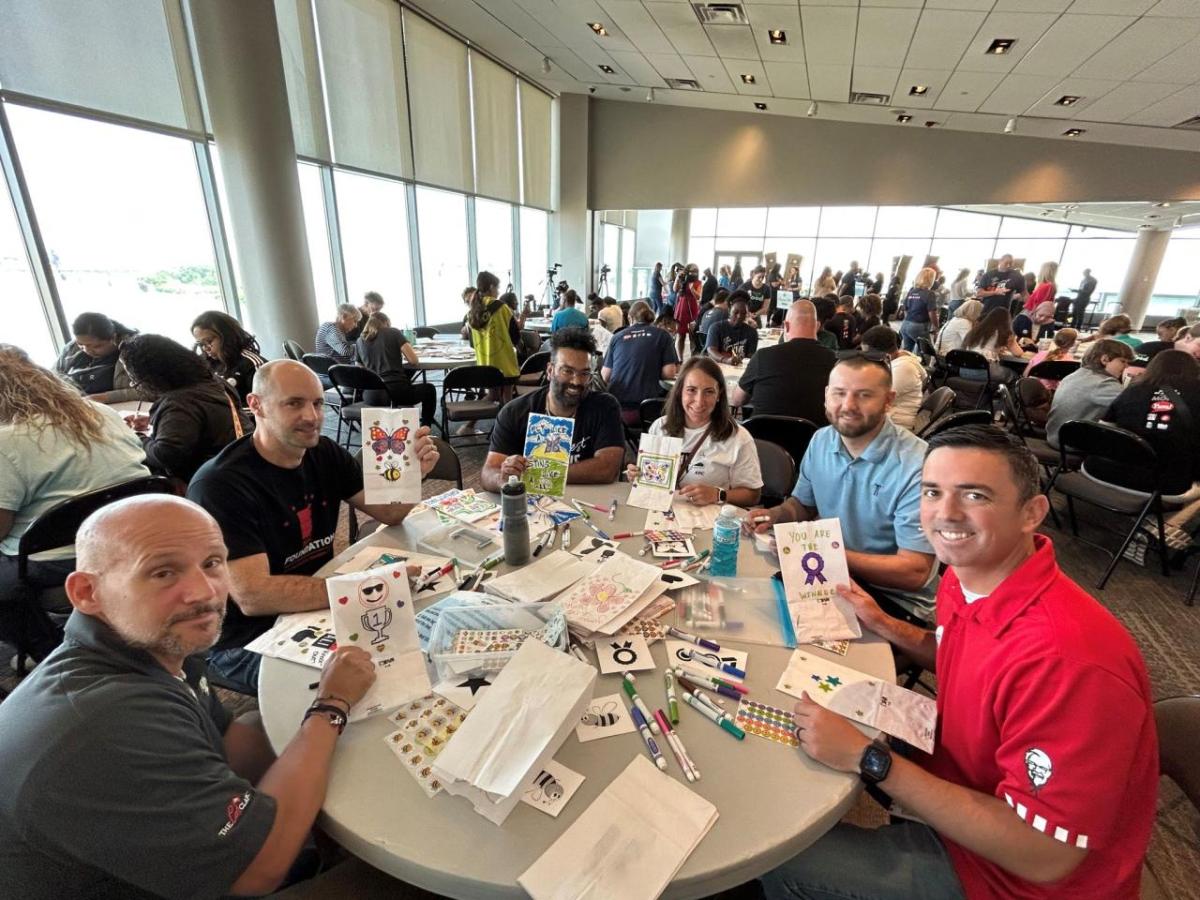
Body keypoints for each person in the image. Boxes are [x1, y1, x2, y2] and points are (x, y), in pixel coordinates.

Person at [763, 425, 1156, 900]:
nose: (945, 514)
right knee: (784, 725)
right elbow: (961, 652)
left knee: (778, 860)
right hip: (962, 774)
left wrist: (869, 759)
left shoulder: (1069, 662)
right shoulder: (971, 573)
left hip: (1006, 878)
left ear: (1032, 513)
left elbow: (1047, 855)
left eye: (975, 495)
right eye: (932, 492)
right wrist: (886, 623)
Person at [0, 494, 382, 899]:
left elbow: (232, 745)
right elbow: (257, 873)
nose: (203, 593)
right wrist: (331, 707)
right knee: (395, 884)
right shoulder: (108, 721)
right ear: (86, 592)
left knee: (262, 726)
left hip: (151, 860)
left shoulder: (156, 641)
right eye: (163, 572)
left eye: (213, 563)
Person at [186, 360, 439, 691]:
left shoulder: (324, 453)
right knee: (364, 681)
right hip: (245, 637)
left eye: (317, 403)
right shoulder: (221, 484)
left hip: (315, 605)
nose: (311, 416)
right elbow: (254, 597)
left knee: (418, 641)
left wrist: (412, 476)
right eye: (294, 403)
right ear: (256, 405)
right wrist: (363, 586)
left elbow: (389, 514)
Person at [745, 356, 938, 624]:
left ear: (888, 400)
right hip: (827, 574)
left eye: (864, 395)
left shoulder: (919, 466)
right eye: (839, 393)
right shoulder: (821, 440)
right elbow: (803, 505)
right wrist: (773, 515)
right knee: (751, 610)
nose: (848, 405)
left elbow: (913, 572)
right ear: (826, 396)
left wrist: (827, 553)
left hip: (892, 602)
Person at [0, 346, 149, 661]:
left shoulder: (6, 442)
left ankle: (48, 650)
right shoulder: (101, 414)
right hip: (131, 537)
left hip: (60, 561)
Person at [483, 328, 623, 491]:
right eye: (567, 371)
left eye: (584, 373)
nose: (576, 381)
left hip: (590, 503)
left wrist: (540, 473)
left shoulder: (605, 407)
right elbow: (487, 474)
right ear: (550, 371)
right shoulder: (514, 412)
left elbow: (607, 469)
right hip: (530, 504)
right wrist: (503, 479)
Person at [1099, 350, 1200, 563]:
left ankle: (1151, 519)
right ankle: (1164, 525)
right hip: (1163, 483)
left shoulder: (1133, 389)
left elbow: (1104, 430)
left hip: (1106, 471)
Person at [120, 335, 251, 484]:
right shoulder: (215, 381)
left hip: (209, 482)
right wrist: (159, 422)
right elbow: (209, 421)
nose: (135, 384)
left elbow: (166, 456)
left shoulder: (178, 403)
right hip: (241, 466)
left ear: (151, 375)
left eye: (135, 380)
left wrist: (137, 437)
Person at [632, 357, 762, 507]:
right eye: (691, 390)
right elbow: (650, 477)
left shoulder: (739, 438)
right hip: (660, 514)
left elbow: (753, 495)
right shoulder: (660, 427)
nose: (699, 401)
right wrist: (638, 474)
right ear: (680, 391)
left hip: (708, 521)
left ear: (719, 395)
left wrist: (717, 494)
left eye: (709, 392)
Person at [733, 299, 835, 423]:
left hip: (761, 438)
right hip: (812, 439)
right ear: (817, 325)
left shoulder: (763, 356)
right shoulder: (834, 362)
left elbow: (737, 400)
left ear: (786, 326)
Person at [601, 300, 679, 426]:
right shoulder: (663, 336)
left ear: (630, 318)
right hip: (650, 410)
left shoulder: (617, 337)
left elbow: (605, 376)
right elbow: (669, 373)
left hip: (618, 411)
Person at [1045, 339, 1133, 448]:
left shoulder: (1077, 374)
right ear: (1105, 359)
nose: (1127, 366)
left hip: (1055, 436)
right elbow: (1133, 407)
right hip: (1072, 444)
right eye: (1123, 361)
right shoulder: (1104, 383)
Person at [355, 312, 437, 426]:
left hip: (371, 395)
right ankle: (425, 427)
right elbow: (414, 360)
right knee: (429, 389)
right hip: (396, 393)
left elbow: (359, 369)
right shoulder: (393, 332)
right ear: (386, 322)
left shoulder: (360, 340)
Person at [54, 312, 141, 403]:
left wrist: (105, 397)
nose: (88, 351)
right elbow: (53, 377)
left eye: (97, 346)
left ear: (113, 338)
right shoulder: (71, 348)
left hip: (116, 407)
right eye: (81, 345)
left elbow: (150, 392)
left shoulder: (134, 352)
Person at [192, 310, 267, 406]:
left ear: (227, 336)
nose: (206, 348)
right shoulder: (203, 363)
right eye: (201, 344)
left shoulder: (252, 364)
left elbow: (265, 406)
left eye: (209, 341)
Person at [860, 325, 926, 431]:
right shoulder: (897, 360)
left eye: (867, 354)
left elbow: (874, 400)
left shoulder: (903, 369)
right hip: (887, 416)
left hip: (895, 424)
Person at [960, 308, 1031, 383]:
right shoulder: (1005, 333)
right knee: (1014, 374)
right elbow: (1018, 353)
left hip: (964, 370)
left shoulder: (976, 329)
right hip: (984, 372)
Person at [706, 297, 758, 364]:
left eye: (743, 313)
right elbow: (711, 350)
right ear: (729, 311)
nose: (739, 316)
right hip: (719, 366)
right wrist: (726, 360)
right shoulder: (716, 328)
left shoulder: (752, 332)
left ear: (746, 315)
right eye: (736, 312)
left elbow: (750, 356)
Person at [899, 267, 940, 352]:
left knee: (907, 352)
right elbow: (932, 313)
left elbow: (905, 309)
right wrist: (936, 328)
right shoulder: (929, 294)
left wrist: (910, 320)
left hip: (905, 324)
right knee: (926, 353)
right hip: (919, 326)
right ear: (931, 280)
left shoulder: (911, 292)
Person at [673, 265, 702, 360]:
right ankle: (680, 358)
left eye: (695, 271)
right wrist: (678, 277)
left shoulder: (698, 282)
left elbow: (698, 297)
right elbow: (675, 289)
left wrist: (692, 289)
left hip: (692, 309)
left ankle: (693, 359)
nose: (693, 273)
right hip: (681, 309)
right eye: (691, 271)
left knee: (693, 336)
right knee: (680, 335)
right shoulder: (682, 280)